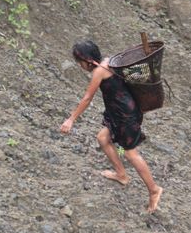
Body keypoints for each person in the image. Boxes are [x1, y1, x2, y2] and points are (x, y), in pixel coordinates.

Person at [60, 40, 163, 213]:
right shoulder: (109, 61)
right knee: (102, 138)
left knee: (131, 153)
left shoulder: (99, 72)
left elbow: (87, 98)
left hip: (125, 116)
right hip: (121, 112)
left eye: (80, 63)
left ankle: (154, 190)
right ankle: (121, 175)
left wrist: (71, 119)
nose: (80, 66)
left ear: (86, 60)